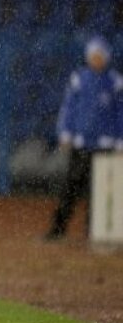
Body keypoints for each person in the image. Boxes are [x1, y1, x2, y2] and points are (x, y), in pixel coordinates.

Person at [44, 37, 123, 241]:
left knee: (100, 191)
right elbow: (68, 108)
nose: (95, 59)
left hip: (105, 146)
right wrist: (65, 132)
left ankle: (95, 230)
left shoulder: (115, 82)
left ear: (106, 57)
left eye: (99, 56)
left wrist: (120, 140)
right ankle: (58, 229)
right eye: (92, 55)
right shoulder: (79, 79)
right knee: (70, 187)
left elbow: (120, 113)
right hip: (81, 144)